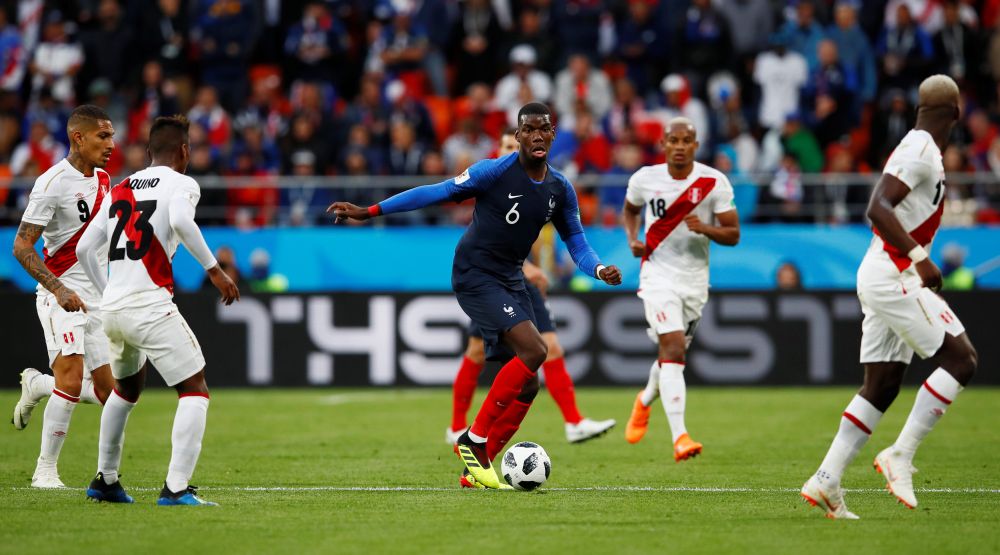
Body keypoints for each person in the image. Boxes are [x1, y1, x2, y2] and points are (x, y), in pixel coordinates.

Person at [329, 103, 622, 490]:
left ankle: (475, 472)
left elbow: (578, 243)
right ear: (516, 137)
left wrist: (599, 268)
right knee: (535, 351)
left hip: (511, 278)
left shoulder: (559, 188)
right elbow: (436, 191)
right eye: (529, 129)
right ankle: (474, 439)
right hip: (475, 274)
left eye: (544, 129)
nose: (537, 135)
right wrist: (370, 211)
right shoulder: (494, 171)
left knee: (529, 382)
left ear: (552, 136)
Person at [801, 75, 978, 519]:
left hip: (886, 274)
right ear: (955, 113)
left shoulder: (921, 147)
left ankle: (826, 480)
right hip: (894, 275)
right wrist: (920, 257)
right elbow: (877, 206)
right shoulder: (920, 148)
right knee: (962, 360)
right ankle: (900, 454)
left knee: (881, 386)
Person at [76, 115, 240, 505]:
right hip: (149, 304)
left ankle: (105, 480)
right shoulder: (183, 183)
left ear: (149, 152)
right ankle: (176, 488)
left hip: (113, 307)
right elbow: (182, 220)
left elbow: (84, 249)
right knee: (194, 390)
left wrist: (108, 292)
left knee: (126, 390)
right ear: (184, 151)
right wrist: (214, 270)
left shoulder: (121, 187)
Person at [446, 129, 616, 464]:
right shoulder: (493, 179)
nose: (515, 151)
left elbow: (567, 238)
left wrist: (585, 268)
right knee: (481, 350)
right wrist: (526, 268)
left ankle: (572, 421)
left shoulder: (550, 187)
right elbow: (491, 240)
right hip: (495, 282)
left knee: (546, 351)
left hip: (521, 282)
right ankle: (462, 431)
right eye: (508, 146)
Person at [11, 105, 118, 488]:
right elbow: (22, 246)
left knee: (111, 394)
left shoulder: (105, 180)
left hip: (97, 299)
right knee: (71, 381)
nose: (111, 144)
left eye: (111, 136)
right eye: (103, 136)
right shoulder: (52, 182)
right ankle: (45, 471)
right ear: (78, 137)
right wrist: (58, 288)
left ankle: (39, 385)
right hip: (60, 296)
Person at [621, 117, 740, 462]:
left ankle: (644, 400)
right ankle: (680, 437)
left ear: (695, 145)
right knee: (672, 347)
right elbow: (630, 211)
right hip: (656, 276)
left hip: (695, 281)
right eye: (673, 140)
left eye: (686, 140)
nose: (679, 146)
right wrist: (632, 239)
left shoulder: (713, 182)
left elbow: (733, 234)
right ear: (663, 144)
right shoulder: (645, 179)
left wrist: (705, 228)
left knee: (671, 355)